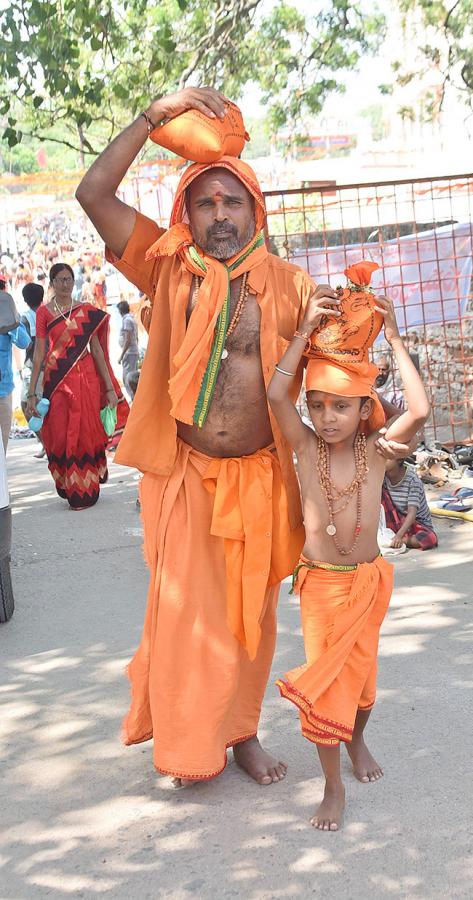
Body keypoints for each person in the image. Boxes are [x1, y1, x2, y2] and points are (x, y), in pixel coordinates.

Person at [76, 87, 410, 787]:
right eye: (205, 202)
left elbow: (331, 388)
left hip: (260, 481)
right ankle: (190, 750)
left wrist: (363, 328)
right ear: (185, 212)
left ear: (254, 211)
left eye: (232, 202)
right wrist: (150, 116)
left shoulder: (290, 286)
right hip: (187, 478)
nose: (220, 215)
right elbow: (93, 191)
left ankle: (243, 734)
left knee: (248, 629)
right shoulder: (164, 266)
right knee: (186, 627)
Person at [267, 269, 430, 831]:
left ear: (364, 409)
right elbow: (274, 392)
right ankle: (332, 785)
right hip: (321, 587)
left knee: (362, 689)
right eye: (318, 405)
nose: (327, 417)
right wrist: (302, 333)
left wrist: (395, 339)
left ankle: (359, 741)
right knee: (327, 693)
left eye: (341, 406)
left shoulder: (379, 451)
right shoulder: (305, 446)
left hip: (368, 584)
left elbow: (421, 408)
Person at [25, 263, 129, 509]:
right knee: (60, 433)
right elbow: (40, 352)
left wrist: (109, 388)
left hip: (86, 380)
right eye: (60, 280)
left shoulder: (84, 311)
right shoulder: (44, 313)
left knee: (84, 431)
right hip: (57, 382)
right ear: (52, 282)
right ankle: (68, 481)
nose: (66, 284)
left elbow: (98, 351)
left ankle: (84, 486)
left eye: (69, 279)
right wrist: (32, 391)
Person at [382, 458, 438, 550]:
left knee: (429, 539)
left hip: (418, 524)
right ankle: (390, 537)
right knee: (379, 494)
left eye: (386, 458)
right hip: (398, 520)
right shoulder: (383, 476)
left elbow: (412, 513)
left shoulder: (412, 480)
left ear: (399, 459)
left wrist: (399, 536)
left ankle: (398, 541)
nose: (381, 461)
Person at [0, 293, 30, 452]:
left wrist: (13, 322)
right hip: (4, 389)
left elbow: (25, 342)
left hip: (3, 391)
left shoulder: (9, 318)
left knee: (2, 448)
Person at [20, 282, 45, 458]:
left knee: (27, 405)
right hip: (48, 366)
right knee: (43, 406)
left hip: (33, 366)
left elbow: (25, 343)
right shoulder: (48, 313)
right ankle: (47, 443)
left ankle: (45, 443)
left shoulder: (25, 318)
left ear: (24, 299)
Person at [117, 301, 139, 398]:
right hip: (132, 352)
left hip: (129, 353)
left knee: (128, 378)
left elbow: (128, 339)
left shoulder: (126, 321)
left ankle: (133, 398)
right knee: (132, 377)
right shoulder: (131, 319)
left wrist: (121, 355)